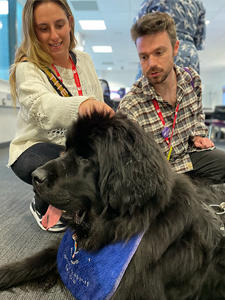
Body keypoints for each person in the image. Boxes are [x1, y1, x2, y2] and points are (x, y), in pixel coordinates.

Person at [8, 0, 114, 232]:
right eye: (43, 29)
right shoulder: (27, 68)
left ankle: (71, 198)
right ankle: (42, 203)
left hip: (72, 147)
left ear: (70, 23)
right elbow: (43, 107)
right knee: (61, 167)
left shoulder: (84, 61)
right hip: (36, 147)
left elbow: (99, 102)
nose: (54, 36)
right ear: (32, 32)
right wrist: (82, 105)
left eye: (59, 25)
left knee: (95, 165)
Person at [118, 12, 225, 184]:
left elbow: (197, 117)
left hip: (188, 158)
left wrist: (197, 135)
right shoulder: (131, 106)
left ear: (175, 48)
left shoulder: (192, 81)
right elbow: (128, 165)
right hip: (156, 175)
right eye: (144, 57)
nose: (151, 63)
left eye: (159, 52)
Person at [135, 0, 206, 79]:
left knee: (150, 88)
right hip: (188, 52)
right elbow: (199, 40)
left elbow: (140, 26)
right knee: (189, 87)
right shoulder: (197, 3)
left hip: (159, 47)